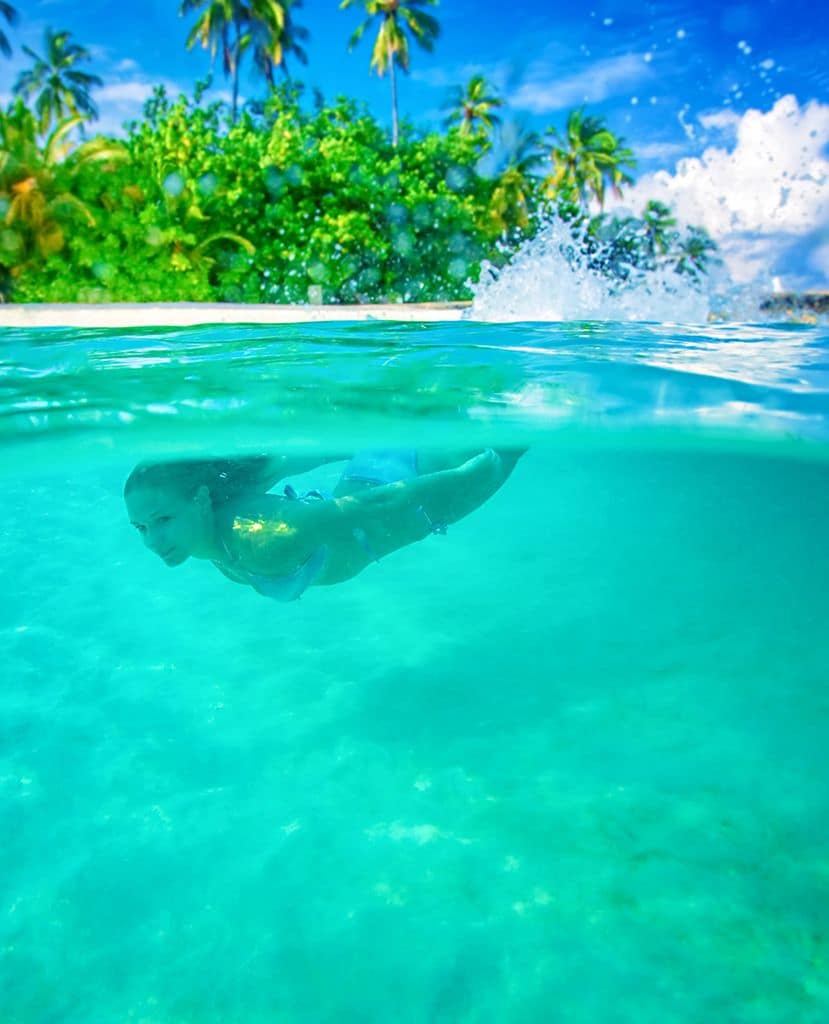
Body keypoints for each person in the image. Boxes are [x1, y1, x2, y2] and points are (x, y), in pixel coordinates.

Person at [124, 449, 524, 600]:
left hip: (415, 482)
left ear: (199, 500)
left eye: (162, 520)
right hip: (389, 475)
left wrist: (466, 480)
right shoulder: (209, 525)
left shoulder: (259, 537)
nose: (153, 540)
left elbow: (371, 506)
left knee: (520, 425)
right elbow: (287, 460)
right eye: (140, 527)